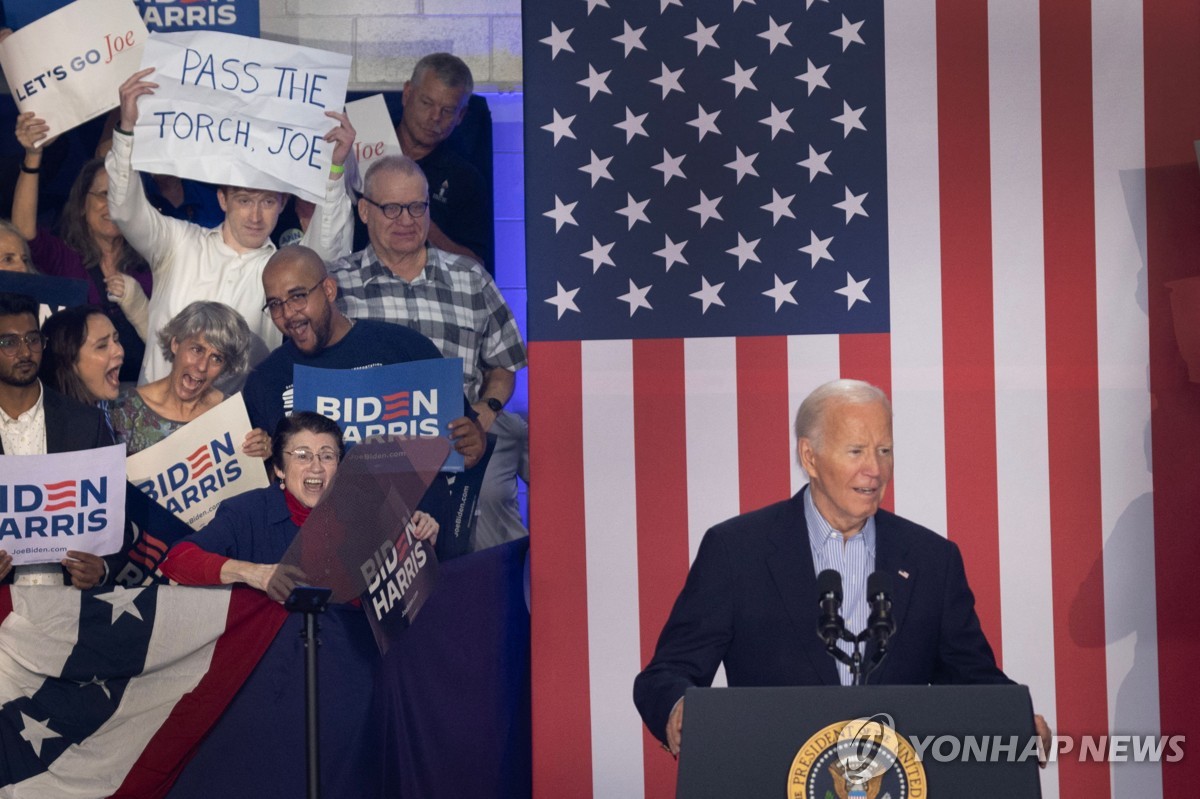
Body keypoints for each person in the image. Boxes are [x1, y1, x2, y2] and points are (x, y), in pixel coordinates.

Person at [632, 379, 1051, 758]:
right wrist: (678, 708)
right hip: (770, 772)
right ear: (810, 457)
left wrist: (1013, 716)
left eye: (883, 450)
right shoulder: (737, 551)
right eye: (856, 451)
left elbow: (971, 675)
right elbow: (668, 672)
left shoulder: (930, 559)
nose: (875, 468)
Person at [106, 67, 356, 384]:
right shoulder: (177, 242)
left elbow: (329, 248)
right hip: (158, 420)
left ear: (282, 204)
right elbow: (125, 210)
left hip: (235, 428)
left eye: (267, 202)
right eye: (243, 201)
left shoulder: (283, 270)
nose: (255, 216)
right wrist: (127, 131)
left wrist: (335, 169)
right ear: (223, 200)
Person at [330, 156, 527, 551]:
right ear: (365, 211)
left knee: (492, 536)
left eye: (417, 207)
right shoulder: (336, 285)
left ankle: (508, 602)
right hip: (373, 461)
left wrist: (484, 414)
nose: (406, 219)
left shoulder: (470, 278)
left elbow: (504, 363)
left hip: (462, 453)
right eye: (391, 208)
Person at [243, 245, 484, 469]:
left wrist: (474, 443)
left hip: (412, 511)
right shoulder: (266, 381)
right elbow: (265, 482)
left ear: (328, 289)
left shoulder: (406, 348)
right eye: (275, 304)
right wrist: (262, 457)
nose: (287, 314)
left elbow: (469, 435)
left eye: (298, 296)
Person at [158, 411, 437, 599]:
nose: (316, 467)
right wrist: (253, 572)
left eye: (327, 456)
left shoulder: (366, 511)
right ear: (279, 467)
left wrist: (418, 538)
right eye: (302, 455)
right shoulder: (247, 511)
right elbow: (176, 559)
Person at [14, 114, 152, 382]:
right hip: (79, 398)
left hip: (143, 391)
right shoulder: (64, 258)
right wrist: (33, 155)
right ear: (81, 205)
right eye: (103, 194)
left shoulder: (150, 262)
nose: (112, 204)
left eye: (121, 195)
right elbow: (23, 232)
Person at [0, 292, 115, 588]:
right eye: (9, 343)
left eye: (33, 339)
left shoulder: (86, 423)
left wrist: (102, 568)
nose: (25, 353)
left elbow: (114, 518)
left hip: (70, 611)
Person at [109, 300, 268, 458]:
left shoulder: (232, 414)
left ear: (226, 367)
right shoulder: (125, 409)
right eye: (197, 349)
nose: (202, 366)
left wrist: (263, 455)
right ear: (175, 344)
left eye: (217, 358)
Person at [382, 52, 491, 270]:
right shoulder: (362, 144)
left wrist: (425, 229)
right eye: (426, 102)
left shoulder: (466, 179)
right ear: (407, 94)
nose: (435, 117)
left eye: (448, 111)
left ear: (461, 115)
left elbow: (477, 268)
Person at [39, 304, 124, 413]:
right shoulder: (53, 425)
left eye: (116, 339)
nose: (119, 351)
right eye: (102, 346)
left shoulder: (118, 413)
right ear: (69, 360)